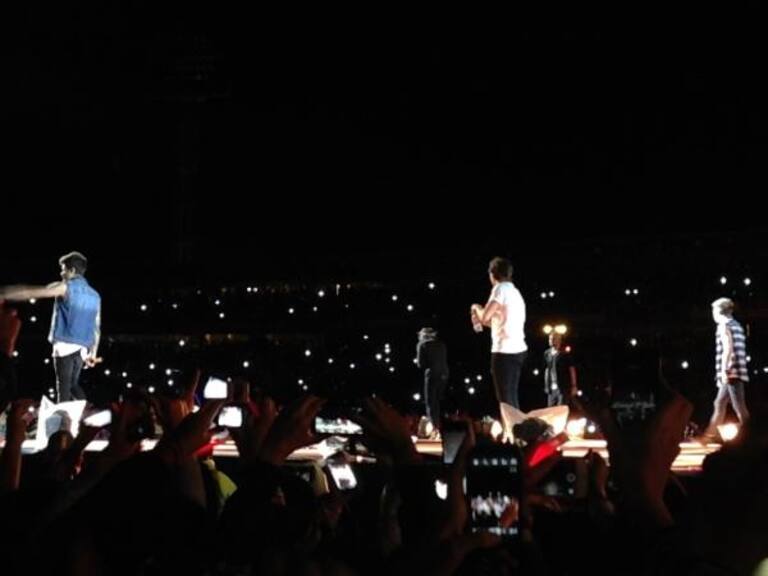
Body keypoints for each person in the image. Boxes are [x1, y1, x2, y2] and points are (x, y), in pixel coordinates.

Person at [0, 251, 101, 401]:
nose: (61, 273)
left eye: (63, 269)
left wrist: (6, 293)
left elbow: (35, 292)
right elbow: (96, 328)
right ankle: (85, 410)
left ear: (72, 270)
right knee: (73, 385)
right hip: (83, 349)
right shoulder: (95, 295)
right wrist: (93, 353)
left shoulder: (65, 287)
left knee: (63, 387)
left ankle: (65, 415)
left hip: (65, 345)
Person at [470, 257, 527, 412]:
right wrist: (482, 319)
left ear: (492, 274)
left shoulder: (500, 289)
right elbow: (495, 322)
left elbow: (485, 317)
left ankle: (514, 427)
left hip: (504, 351)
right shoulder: (515, 291)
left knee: (505, 399)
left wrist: (475, 307)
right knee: (511, 397)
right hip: (518, 350)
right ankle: (517, 426)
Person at [704, 297, 749, 438]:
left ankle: (751, 433)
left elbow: (728, 349)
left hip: (731, 372)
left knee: (739, 407)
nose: (713, 314)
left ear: (719, 312)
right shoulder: (737, 325)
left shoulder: (723, 326)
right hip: (737, 370)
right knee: (719, 403)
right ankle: (709, 435)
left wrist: (724, 371)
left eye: (713, 311)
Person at [415, 327, 449, 430]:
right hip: (444, 374)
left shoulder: (422, 345)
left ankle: (433, 428)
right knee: (438, 402)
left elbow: (421, 364)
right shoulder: (441, 345)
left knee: (430, 403)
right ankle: (439, 426)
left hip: (431, 374)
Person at [543, 330, 578, 407]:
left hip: (562, 387)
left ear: (559, 340)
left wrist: (574, 385)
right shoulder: (547, 353)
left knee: (561, 408)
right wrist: (546, 384)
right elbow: (547, 369)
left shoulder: (564, 354)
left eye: (553, 339)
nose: (550, 341)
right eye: (550, 339)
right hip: (551, 387)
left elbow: (571, 369)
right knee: (550, 409)